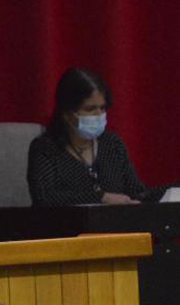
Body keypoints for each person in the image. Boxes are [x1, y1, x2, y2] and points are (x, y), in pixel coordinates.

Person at [27, 67, 169, 206]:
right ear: (67, 114)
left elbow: (136, 192)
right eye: (90, 109)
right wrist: (101, 198)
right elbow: (44, 197)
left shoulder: (112, 144)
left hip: (116, 226)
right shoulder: (45, 148)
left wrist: (166, 193)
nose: (98, 115)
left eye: (102, 108)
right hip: (66, 227)